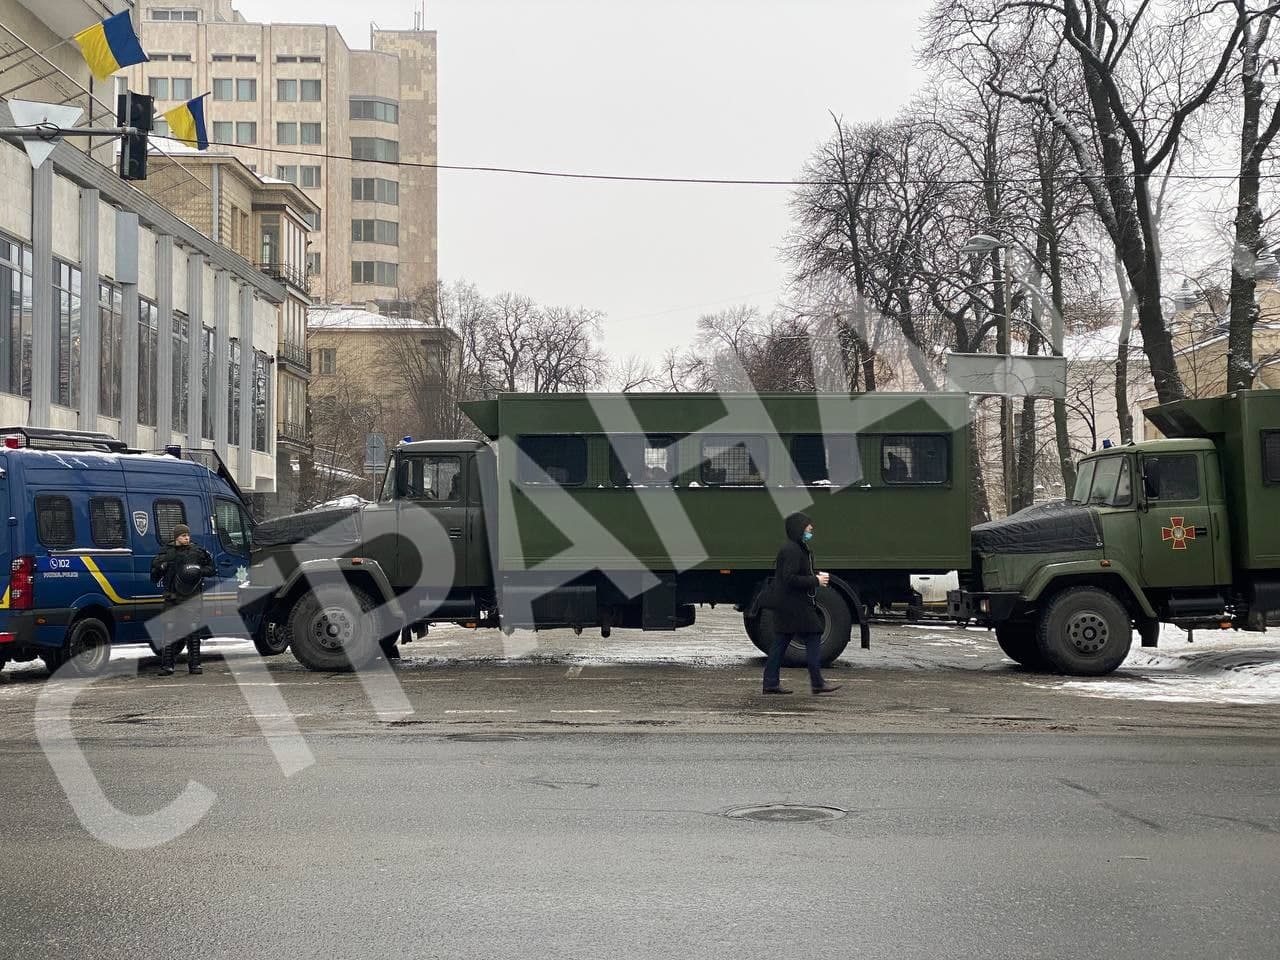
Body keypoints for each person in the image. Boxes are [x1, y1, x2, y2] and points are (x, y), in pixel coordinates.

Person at [763, 512, 841, 695]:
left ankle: (770, 683)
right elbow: (789, 578)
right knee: (814, 635)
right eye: (807, 526)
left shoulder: (794, 548)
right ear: (798, 528)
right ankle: (817, 683)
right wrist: (815, 580)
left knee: (781, 642)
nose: (811, 528)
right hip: (794, 606)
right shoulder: (792, 550)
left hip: (789, 605)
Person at [149, 523, 215, 676]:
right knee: (170, 631)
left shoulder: (197, 552)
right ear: (176, 537)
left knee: (192, 632)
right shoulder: (166, 552)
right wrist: (161, 568)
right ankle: (167, 666)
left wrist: (198, 570)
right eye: (183, 536)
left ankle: (195, 665)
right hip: (172, 598)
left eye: (187, 535)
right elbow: (154, 575)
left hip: (192, 598)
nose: (186, 538)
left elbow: (211, 570)